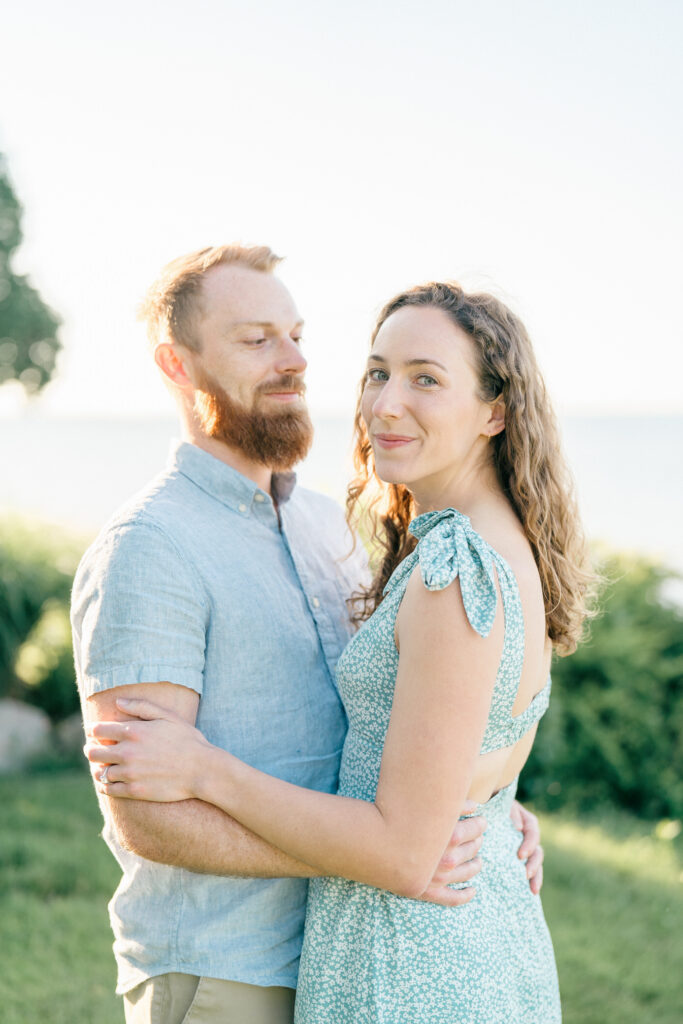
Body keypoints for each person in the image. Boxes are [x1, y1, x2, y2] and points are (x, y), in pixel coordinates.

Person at [73, 250, 546, 1024]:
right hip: (228, 973)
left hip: (360, 957)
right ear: (178, 363)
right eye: (256, 339)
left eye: (295, 334)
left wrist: (479, 800)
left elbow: (399, 723)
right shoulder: (149, 546)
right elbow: (145, 814)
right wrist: (395, 855)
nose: (293, 360)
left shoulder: (327, 525)